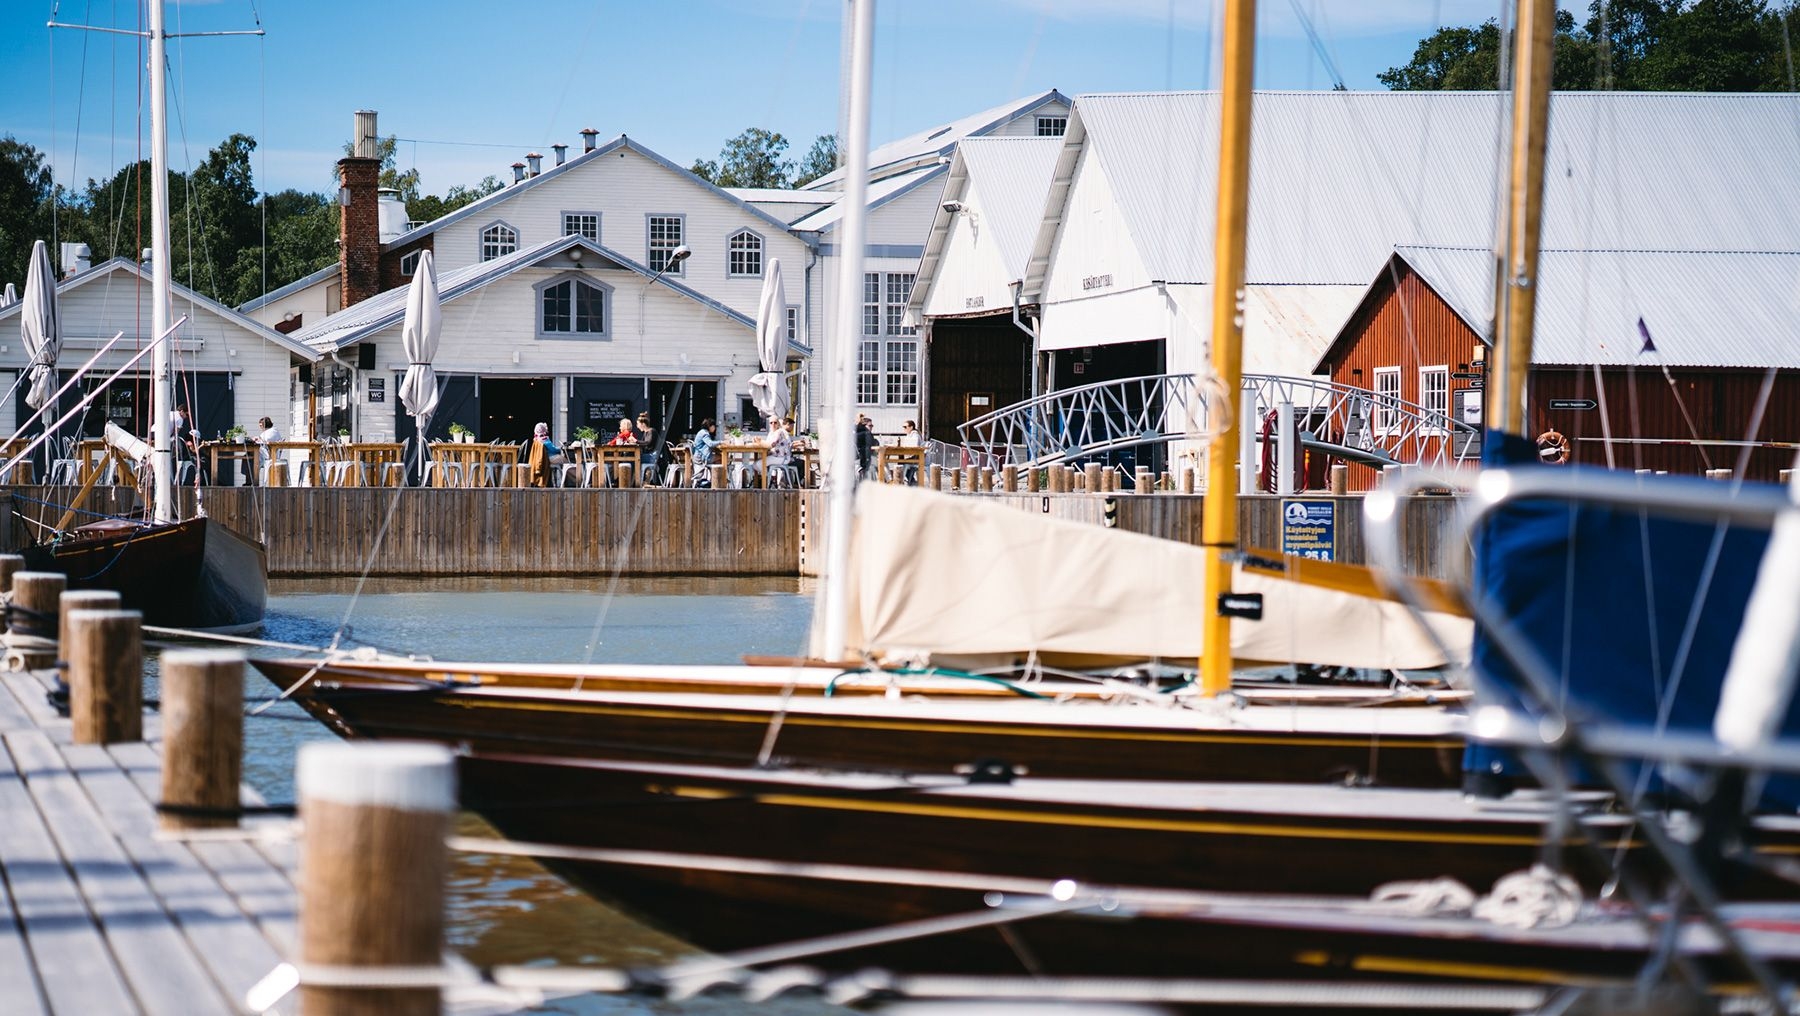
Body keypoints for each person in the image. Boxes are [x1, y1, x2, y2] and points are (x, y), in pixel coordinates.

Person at [525, 421, 562, 487]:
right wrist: (561, 448)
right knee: (566, 462)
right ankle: (567, 481)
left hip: (544, 459)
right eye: (546, 428)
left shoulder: (536, 439)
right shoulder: (544, 439)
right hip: (549, 458)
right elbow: (554, 450)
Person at [763, 415, 794, 487]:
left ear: (778, 424)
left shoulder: (779, 432)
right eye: (771, 423)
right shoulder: (770, 433)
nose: (773, 424)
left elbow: (772, 444)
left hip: (780, 457)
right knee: (764, 462)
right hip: (776, 456)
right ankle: (772, 480)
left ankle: (771, 482)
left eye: (775, 422)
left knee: (761, 463)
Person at [690, 418, 718, 487]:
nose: (715, 428)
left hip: (697, 456)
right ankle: (717, 482)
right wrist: (721, 442)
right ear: (710, 426)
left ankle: (714, 481)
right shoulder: (705, 433)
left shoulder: (701, 432)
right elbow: (710, 444)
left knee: (719, 460)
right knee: (722, 459)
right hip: (701, 458)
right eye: (714, 426)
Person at [897, 419, 921, 484]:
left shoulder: (915, 435)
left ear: (911, 427)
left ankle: (903, 479)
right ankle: (907, 480)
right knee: (900, 460)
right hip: (910, 456)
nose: (904, 429)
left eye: (905, 427)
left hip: (915, 457)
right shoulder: (909, 435)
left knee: (902, 462)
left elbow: (914, 446)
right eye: (903, 427)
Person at [854, 414, 875, 479]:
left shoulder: (855, 432)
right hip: (861, 458)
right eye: (870, 425)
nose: (871, 427)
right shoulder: (867, 433)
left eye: (872, 425)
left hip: (861, 458)